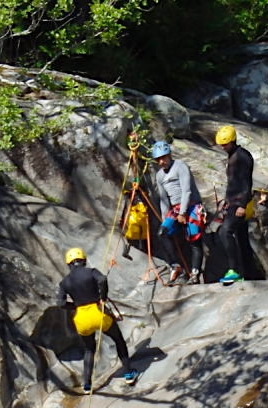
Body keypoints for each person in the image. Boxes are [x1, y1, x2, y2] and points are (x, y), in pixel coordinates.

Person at [56, 248, 136, 392]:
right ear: (83, 260)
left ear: (69, 263)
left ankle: (87, 385)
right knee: (118, 340)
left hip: (81, 317)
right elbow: (103, 279)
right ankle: (129, 374)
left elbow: (61, 304)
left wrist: (74, 305)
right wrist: (103, 297)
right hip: (98, 312)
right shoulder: (91, 271)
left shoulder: (64, 282)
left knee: (89, 349)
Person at [152, 141, 207, 284]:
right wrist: (165, 218)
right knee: (162, 233)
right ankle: (176, 266)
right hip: (175, 208)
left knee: (194, 238)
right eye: (158, 159)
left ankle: (195, 273)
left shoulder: (180, 166)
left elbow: (187, 190)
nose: (162, 161)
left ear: (169, 155)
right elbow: (163, 199)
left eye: (164, 157)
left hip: (192, 205)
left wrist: (183, 213)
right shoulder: (159, 176)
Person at [215, 125, 254, 284]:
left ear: (233, 141)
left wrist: (242, 205)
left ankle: (234, 270)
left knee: (225, 232)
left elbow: (246, 183)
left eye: (225, 144)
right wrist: (226, 201)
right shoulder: (233, 155)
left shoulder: (242, 156)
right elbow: (232, 183)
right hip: (233, 202)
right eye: (221, 145)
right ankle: (250, 274)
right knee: (242, 239)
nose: (223, 147)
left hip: (240, 203)